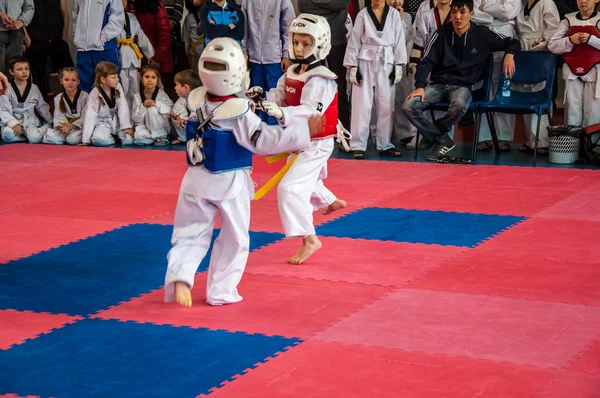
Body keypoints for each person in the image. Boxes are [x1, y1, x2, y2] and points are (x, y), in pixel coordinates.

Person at [164, 37, 323, 307]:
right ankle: (221, 291)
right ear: (237, 73)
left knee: (190, 231)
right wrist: (303, 132)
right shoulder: (237, 112)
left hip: (194, 179)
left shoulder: (196, 100)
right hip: (229, 181)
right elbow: (265, 142)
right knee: (235, 237)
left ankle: (181, 276)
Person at [247, 14, 348, 264]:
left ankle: (309, 238)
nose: (299, 48)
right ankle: (332, 201)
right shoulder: (294, 70)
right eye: (296, 42)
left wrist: (281, 112)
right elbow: (279, 96)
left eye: (306, 43)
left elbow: (311, 110)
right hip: (299, 138)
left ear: (320, 44)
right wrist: (262, 100)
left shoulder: (321, 77)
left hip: (317, 141)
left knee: (290, 188)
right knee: (305, 179)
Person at [401, 0, 521, 160]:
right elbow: (426, 61)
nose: (458, 17)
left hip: (462, 86)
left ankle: (433, 134)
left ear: (471, 14)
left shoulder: (482, 34)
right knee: (409, 106)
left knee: (459, 104)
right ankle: (441, 138)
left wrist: (510, 54)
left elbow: (512, 41)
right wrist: (420, 85)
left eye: (462, 12)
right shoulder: (441, 33)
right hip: (438, 85)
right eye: (454, 12)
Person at [345, 0, 406, 159]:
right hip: (364, 61)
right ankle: (358, 145)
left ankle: (384, 144)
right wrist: (353, 67)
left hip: (386, 62)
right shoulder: (362, 15)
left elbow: (399, 40)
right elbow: (354, 41)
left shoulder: (393, 15)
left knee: (386, 104)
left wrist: (399, 65)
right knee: (361, 105)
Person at [515, 0, 560, 155]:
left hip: (541, 52)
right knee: (526, 95)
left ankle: (543, 141)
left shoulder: (547, 3)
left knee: (540, 93)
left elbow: (554, 27)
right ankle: (530, 140)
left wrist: (544, 41)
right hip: (523, 50)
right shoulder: (520, 5)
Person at [298, 0, 351, 130]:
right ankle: (316, 129)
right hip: (314, 41)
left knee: (341, 88)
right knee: (312, 85)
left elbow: (343, 4)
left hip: (336, 39)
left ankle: (343, 129)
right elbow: (303, 5)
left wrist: (315, 3)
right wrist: (331, 7)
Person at [242, 0, 296, 125]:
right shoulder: (247, 2)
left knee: (276, 97)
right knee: (258, 96)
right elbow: (244, 30)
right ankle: (261, 127)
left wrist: (286, 55)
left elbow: (288, 29)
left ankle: (275, 129)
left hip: (275, 58)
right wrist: (244, 53)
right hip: (254, 57)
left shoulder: (282, 1)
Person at [548, 0, 600, 128]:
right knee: (572, 110)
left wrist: (591, 40)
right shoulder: (568, 20)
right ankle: (571, 146)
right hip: (572, 71)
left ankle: (592, 147)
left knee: (593, 111)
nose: (583, 1)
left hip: (595, 71)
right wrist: (570, 40)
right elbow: (552, 46)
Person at [25, 0, 75, 99]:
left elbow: (65, 13)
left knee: (68, 70)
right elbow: (21, 14)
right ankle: (42, 105)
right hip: (36, 39)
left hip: (57, 37)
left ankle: (70, 100)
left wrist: (64, 36)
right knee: (37, 75)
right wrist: (27, 41)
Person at [73, 0, 125, 93]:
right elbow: (75, 15)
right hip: (84, 50)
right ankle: (86, 107)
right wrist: (78, 37)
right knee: (83, 86)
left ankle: (116, 107)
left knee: (111, 84)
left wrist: (102, 39)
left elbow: (117, 18)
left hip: (105, 48)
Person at [80, 61, 133, 146]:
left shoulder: (117, 86)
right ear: (103, 79)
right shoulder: (94, 93)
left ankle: (115, 135)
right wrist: (85, 139)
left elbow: (123, 107)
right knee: (99, 140)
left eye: (117, 76)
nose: (117, 79)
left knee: (129, 139)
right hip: (102, 123)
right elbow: (90, 115)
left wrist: (126, 127)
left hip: (116, 121)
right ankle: (113, 139)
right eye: (113, 77)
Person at [0, 56, 52, 143]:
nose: (24, 72)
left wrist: (51, 121)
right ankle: (24, 138)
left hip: (29, 121)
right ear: (11, 72)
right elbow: (3, 109)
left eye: (26, 69)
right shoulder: (7, 87)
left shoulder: (34, 88)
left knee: (34, 139)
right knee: (6, 135)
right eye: (19, 69)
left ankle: (47, 126)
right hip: (13, 119)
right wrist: (13, 123)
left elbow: (42, 106)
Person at [119, 0, 155, 107]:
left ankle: (136, 114)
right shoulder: (110, 18)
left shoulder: (132, 17)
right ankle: (123, 116)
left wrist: (150, 54)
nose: (122, 2)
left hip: (132, 54)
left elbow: (141, 36)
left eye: (124, 0)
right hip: (119, 54)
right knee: (122, 88)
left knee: (134, 88)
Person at [42, 67, 89, 145]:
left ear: (78, 82)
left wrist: (72, 126)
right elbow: (59, 117)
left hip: (79, 127)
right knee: (54, 139)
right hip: (66, 127)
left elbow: (86, 117)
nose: (70, 83)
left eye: (73, 80)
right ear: (61, 81)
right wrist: (63, 126)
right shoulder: (58, 98)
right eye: (66, 80)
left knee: (72, 140)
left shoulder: (85, 96)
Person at [131, 64, 174, 145]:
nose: (150, 80)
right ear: (141, 79)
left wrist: (156, 103)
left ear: (157, 80)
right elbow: (135, 118)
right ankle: (155, 139)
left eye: (153, 77)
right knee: (138, 137)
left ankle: (162, 137)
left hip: (160, 127)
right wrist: (143, 106)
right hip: (146, 126)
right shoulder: (137, 96)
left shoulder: (161, 94)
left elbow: (169, 110)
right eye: (147, 77)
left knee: (152, 109)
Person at [0, 0, 34, 75]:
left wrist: (20, 21)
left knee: (15, 69)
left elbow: (29, 8)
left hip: (16, 33)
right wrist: (1, 15)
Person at [169, 68, 201, 144]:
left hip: (200, 129)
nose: (175, 88)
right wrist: (179, 119)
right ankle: (183, 137)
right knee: (176, 116)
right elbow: (179, 119)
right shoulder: (181, 101)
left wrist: (184, 120)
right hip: (189, 130)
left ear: (186, 87)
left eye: (177, 85)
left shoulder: (200, 99)